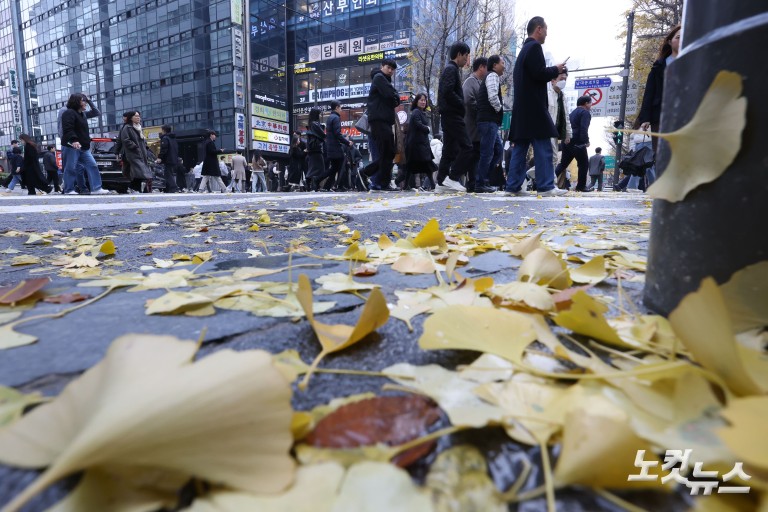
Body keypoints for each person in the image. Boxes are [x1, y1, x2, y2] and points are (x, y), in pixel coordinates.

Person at [504, 17, 567, 197]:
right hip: (534, 106)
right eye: (546, 29)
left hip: (522, 107)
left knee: (520, 147)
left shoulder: (523, 50)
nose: (547, 33)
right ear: (538, 29)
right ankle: (546, 185)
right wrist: (556, 69)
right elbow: (539, 74)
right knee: (543, 145)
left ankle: (513, 186)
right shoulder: (534, 48)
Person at [636, 24, 680, 156]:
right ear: (670, 41)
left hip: (687, 114)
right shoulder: (659, 66)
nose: (682, 40)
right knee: (664, 155)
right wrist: (645, 118)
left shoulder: (696, 62)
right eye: (678, 37)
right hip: (661, 117)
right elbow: (649, 92)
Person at [436, 42, 472, 193]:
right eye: (466, 55)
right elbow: (447, 91)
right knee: (467, 147)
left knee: (449, 149)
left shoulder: (451, 69)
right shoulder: (451, 69)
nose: (467, 59)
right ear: (459, 54)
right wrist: (461, 104)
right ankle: (452, 177)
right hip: (452, 114)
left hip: (449, 114)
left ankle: (441, 182)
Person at [60, 93, 109, 195]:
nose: (85, 103)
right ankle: (69, 190)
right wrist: (74, 140)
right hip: (72, 145)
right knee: (70, 168)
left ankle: (96, 188)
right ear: (76, 102)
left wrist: (89, 100)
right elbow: (68, 129)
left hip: (83, 147)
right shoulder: (68, 113)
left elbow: (96, 112)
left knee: (92, 165)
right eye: (83, 100)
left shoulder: (82, 114)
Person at [362, 59, 400, 191]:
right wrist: (394, 95)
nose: (390, 70)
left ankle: (371, 176)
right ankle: (369, 175)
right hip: (379, 120)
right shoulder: (379, 77)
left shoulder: (385, 81)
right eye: (388, 67)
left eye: (392, 69)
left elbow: (396, 99)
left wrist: (394, 96)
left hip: (384, 120)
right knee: (387, 152)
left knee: (388, 153)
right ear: (382, 67)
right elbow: (391, 95)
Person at [476, 54, 505, 193]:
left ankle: (484, 180)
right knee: (487, 153)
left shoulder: (491, 76)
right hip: (488, 120)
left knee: (498, 150)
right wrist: (500, 111)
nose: (504, 66)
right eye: (502, 63)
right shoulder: (492, 76)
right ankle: (480, 182)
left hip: (489, 121)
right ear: (494, 65)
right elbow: (493, 97)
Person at [460, 57, 488, 193]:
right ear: (481, 67)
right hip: (470, 126)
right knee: (471, 154)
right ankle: (467, 181)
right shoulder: (470, 81)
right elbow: (468, 100)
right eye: (487, 68)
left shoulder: (478, 82)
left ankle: (473, 182)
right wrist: (482, 111)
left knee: (475, 154)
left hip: (475, 127)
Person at [555, 95, 593, 192]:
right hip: (578, 142)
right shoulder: (585, 113)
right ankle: (581, 187)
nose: (591, 105)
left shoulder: (572, 113)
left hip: (566, 140)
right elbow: (584, 129)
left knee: (563, 164)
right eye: (590, 103)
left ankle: (546, 181)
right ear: (586, 104)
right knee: (583, 164)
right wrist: (586, 141)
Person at [405, 93, 436, 192]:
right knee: (424, 164)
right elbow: (418, 124)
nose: (423, 102)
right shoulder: (416, 112)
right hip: (416, 145)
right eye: (421, 100)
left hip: (421, 143)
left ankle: (404, 184)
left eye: (424, 100)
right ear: (417, 101)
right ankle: (433, 185)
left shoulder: (422, 112)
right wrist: (427, 128)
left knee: (415, 166)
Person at [119, 111, 154, 193]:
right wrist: (135, 146)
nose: (138, 117)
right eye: (136, 116)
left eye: (139, 116)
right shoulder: (127, 127)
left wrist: (145, 146)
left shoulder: (139, 127)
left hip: (142, 153)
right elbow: (125, 140)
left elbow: (142, 139)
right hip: (133, 153)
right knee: (141, 172)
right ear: (131, 118)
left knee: (139, 172)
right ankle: (133, 187)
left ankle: (134, 188)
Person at [326, 101, 353, 191]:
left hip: (330, 147)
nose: (341, 110)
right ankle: (340, 186)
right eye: (340, 108)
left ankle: (323, 183)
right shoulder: (336, 118)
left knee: (334, 168)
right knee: (342, 166)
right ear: (337, 107)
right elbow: (337, 134)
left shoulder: (329, 118)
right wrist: (347, 142)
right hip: (336, 147)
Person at [547, 71, 572, 173]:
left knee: (552, 157)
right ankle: (550, 183)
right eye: (561, 79)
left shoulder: (563, 97)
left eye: (565, 79)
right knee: (551, 157)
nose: (563, 82)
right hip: (547, 131)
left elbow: (566, 116)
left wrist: (568, 134)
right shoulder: (546, 94)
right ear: (553, 81)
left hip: (556, 132)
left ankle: (549, 183)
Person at [305, 108, 327, 192]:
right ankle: (312, 184)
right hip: (316, 149)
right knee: (320, 168)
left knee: (314, 167)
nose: (320, 116)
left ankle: (309, 183)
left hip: (313, 149)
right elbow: (322, 134)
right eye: (319, 114)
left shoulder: (311, 123)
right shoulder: (315, 124)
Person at [156, 125, 181, 193]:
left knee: (168, 174)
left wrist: (160, 157)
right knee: (170, 173)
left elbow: (164, 149)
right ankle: (169, 189)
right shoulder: (173, 138)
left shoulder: (165, 138)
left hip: (168, 159)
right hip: (174, 158)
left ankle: (174, 188)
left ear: (164, 130)